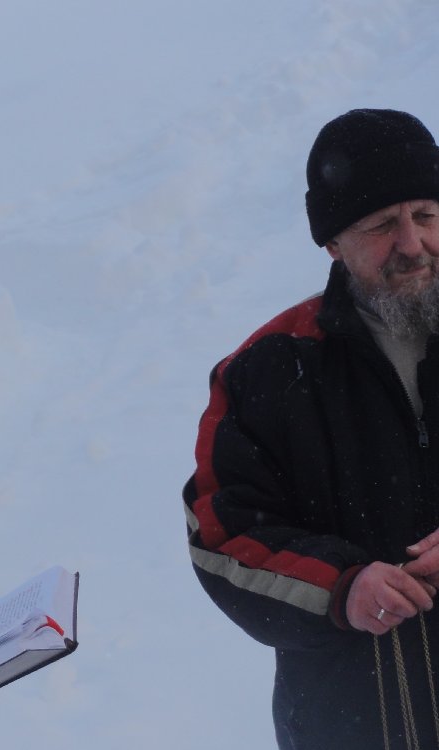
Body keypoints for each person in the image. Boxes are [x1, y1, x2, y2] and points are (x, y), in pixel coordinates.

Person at [184, 108, 439, 750]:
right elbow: (222, 537)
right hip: (354, 725)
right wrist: (339, 587)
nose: (412, 243)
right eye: (381, 225)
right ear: (332, 243)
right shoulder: (267, 371)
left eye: (426, 215)